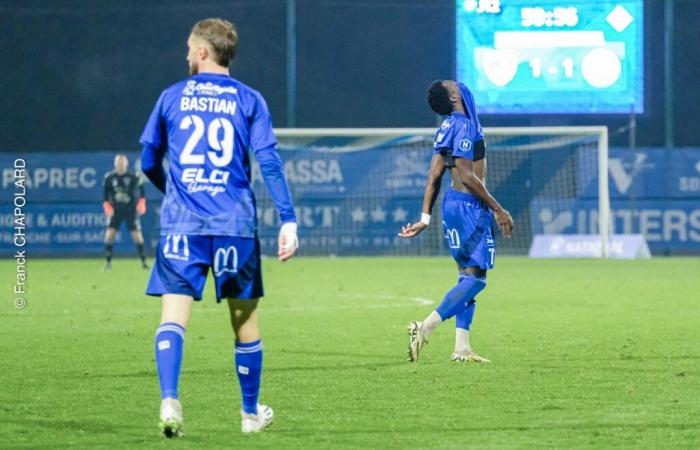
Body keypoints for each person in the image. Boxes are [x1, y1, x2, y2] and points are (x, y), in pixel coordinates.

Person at [139, 18, 298, 436]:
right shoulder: (250, 100)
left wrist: (172, 188)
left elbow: (147, 161)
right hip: (234, 225)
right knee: (244, 322)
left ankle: (170, 399)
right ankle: (249, 415)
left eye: (190, 48)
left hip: (182, 224)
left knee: (173, 316)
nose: (187, 54)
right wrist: (288, 219)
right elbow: (268, 162)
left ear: (204, 52)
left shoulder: (171, 97)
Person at [399, 80, 514, 363]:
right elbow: (465, 175)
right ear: (454, 96)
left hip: (452, 205)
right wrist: (498, 209)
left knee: (466, 276)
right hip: (468, 208)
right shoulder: (464, 124)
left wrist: (425, 218)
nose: (460, 83)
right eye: (454, 83)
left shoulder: (448, 125)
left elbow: (434, 176)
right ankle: (425, 327)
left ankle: (462, 347)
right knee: (477, 279)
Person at [102, 154, 148, 270]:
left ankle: (144, 262)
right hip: (115, 211)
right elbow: (105, 194)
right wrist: (107, 204)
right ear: (115, 163)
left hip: (130, 211)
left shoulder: (133, 177)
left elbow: (142, 190)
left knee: (137, 236)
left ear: (126, 164)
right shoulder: (109, 177)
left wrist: (142, 202)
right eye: (118, 162)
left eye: (122, 162)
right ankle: (108, 263)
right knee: (109, 235)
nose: (120, 164)